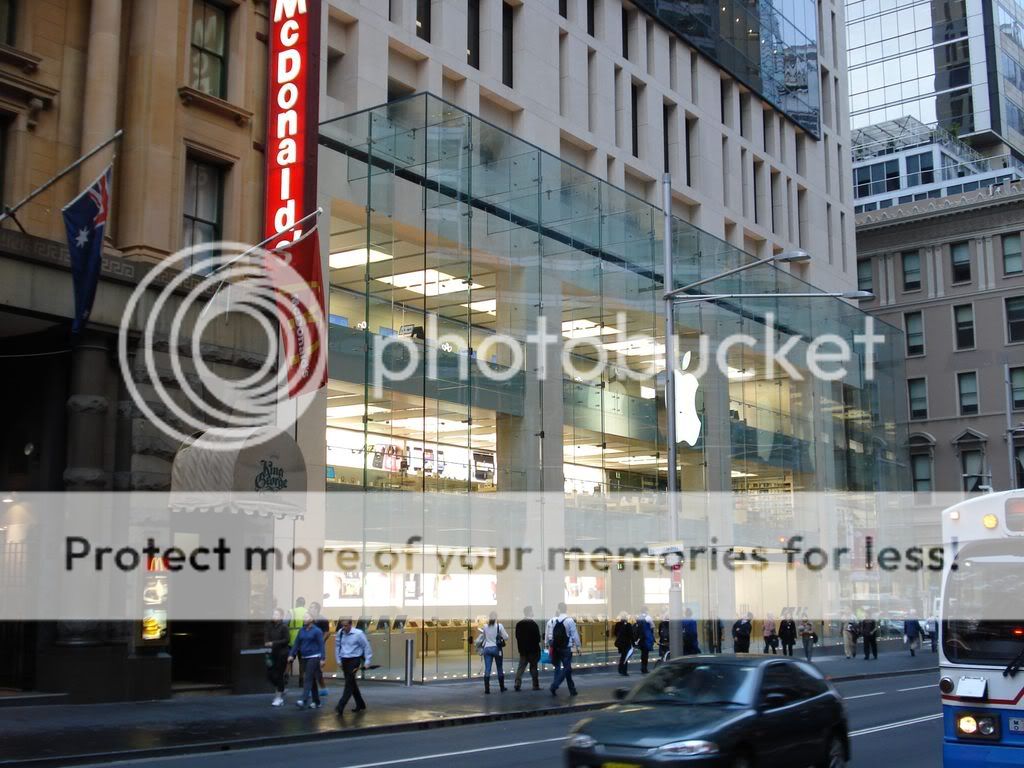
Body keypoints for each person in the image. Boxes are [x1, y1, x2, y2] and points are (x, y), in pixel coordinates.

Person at [334, 617, 372, 714]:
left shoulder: (358, 634)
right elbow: (337, 646)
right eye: (342, 625)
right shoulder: (340, 633)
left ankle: (340, 705)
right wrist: (338, 660)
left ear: (351, 625)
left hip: (354, 660)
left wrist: (367, 661)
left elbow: (366, 646)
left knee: (349, 683)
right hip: (344, 660)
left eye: (346, 626)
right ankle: (360, 704)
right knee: (351, 683)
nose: (344, 628)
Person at [288, 612, 324, 709]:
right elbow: (296, 643)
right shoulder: (301, 631)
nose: (304, 619)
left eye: (306, 617)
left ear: (312, 619)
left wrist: (322, 658)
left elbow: (321, 645)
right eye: (303, 617)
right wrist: (291, 654)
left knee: (307, 677)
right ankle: (317, 702)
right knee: (311, 680)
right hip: (304, 657)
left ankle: (303, 699)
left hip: (314, 657)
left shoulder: (317, 631)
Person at [546, 602, 581, 696]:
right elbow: (574, 635)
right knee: (567, 668)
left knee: (566, 668)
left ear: (558, 609)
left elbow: (551, 635)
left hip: (557, 647)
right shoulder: (569, 620)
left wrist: (551, 645)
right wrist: (578, 646)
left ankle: (572, 690)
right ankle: (554, 685)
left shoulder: (554, 620)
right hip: (566, 647)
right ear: (566, 609)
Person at [476, 612, 509, 694]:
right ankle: (502, 687)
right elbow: (506, 637)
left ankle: (487, 689)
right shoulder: (499, 626)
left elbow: (483, 637)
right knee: (499, 668)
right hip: (497, 649)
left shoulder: (485, 626)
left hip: (487, 649)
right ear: (496, 617)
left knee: (487, 669)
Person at [264, 608, 290, 707]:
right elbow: (267, 636)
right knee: (270, 674)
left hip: (282, 654)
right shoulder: (270, 626)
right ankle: (281, 689)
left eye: (276, 614)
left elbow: (287, 640)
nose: (274, 616)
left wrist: (273, 643)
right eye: (273, 614)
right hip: (272, 653)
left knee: (278, 675)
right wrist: (267, 642)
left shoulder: (284, 627)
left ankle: (278, 697)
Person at [514, 606, 542, 691]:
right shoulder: (534, 624)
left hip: (523, 650)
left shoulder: (519, 624)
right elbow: (538, 639)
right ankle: (535, 685)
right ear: (530, 612)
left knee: (521, 668)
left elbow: (517, 637)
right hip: (533, 650)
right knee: (533, 667)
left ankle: (517, 683)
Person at [308, 601, 331, 697]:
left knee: (316, 670)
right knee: (313, 670)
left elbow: (327, 633)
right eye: (310, 607)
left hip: (318, 649)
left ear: (317, 609)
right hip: (309, 648)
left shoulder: (323, 619)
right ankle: (321, 689)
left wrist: (321, 641)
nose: (310, 609)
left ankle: (318, 689)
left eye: (312, 607)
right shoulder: (308, 619)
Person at [288, 597, 306, 684]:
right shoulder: (307, 612)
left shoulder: (291, 611)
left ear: (296, 603)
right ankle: (301, 679)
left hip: (292, 639)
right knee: (302, 661)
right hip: (303, 640)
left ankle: (285, 676)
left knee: (289, 659)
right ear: (304, 603)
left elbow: (285, 623)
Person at [635, 606, 655, 673]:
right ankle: (644, 668)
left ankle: (642, 667)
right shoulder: (648, 617)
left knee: (643, 653)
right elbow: (653, 626)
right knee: (646, 654)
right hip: (646, 637)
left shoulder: (638, 617)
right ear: (646, 610)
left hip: (640, 638)